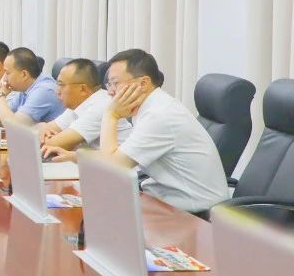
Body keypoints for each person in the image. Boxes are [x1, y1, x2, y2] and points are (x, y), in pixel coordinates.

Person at [95, 49, 229, 213]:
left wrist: (111, 115)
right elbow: (118, 157)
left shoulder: (160, 115)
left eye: (115, 83)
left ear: (143, 83)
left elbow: (110, 169)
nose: (110, 92)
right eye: (109, 84)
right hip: (164, 199)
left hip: (193, 214)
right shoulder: (151, 107)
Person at [39, 59, 131, 159]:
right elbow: (45, 130)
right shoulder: (78, 104)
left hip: (120, 166)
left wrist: (44, 131)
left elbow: (51, 145)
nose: (57, 91)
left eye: (61, 85)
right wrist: (43, 126)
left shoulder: (100, 106)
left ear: (82, 89)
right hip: (94, 163)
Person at [0, 47, 65, 125]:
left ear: (24, 74)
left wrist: (0, 95)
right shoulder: (25, 88)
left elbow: (13, 124)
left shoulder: (44, 90)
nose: (5, 78)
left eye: (7, 73)